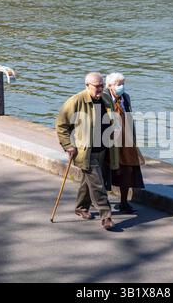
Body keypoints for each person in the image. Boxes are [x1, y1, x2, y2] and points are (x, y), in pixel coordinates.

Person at [56, 72, 119, 230]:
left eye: (101, 86)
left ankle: (81, 207)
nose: (100, 89)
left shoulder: (105, 99)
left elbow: (112, 120)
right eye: (96, 86)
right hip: (85, 151)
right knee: (98, 185)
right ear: (87, 86)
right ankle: (106, 216)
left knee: (88, 181)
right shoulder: (76, 101)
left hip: (103, 148)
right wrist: (68, 145)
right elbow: (61, 124)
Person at [105, 73, 145, 214]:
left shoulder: (126, 97)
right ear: (109, 85)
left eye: (123, 83)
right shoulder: (103, 97)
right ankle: (101, 203)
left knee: (127, 171)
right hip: (107, 141)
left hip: (126, 141)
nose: (121, 87)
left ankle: (124, 202)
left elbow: (129, 118)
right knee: (105, 172)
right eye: (118, 84)